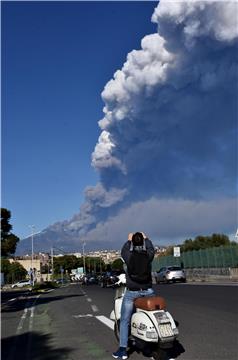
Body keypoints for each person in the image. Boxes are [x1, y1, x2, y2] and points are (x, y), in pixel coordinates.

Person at [112, 232, 155, 360]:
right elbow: (151, 248)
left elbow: (123, 251)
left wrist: (129, 240)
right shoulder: (148, 256)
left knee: (125, 320)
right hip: (148, 291)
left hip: (132, 292)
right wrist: (146, 238)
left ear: (132, 243)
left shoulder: (129, 256)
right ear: (142, 242)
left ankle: (123, 350)